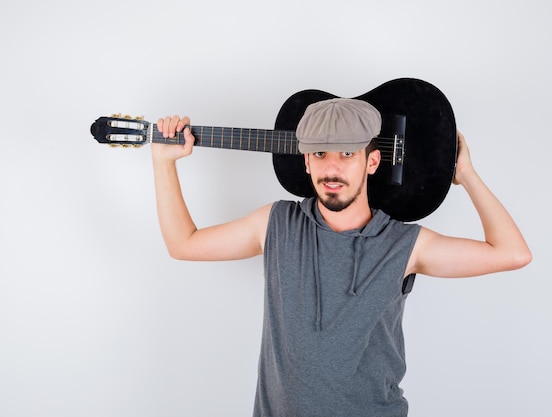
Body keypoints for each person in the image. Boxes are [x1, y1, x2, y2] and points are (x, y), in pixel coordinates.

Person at [151, 98, 532, 417]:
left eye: (347, 153)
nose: (332, 168)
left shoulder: (405, 245)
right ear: (306, 162)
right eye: (320, 153)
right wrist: (163, 164)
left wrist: (465, 174)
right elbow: (184, 243)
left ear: (372, 161)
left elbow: (512, 253)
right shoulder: (276, 224)